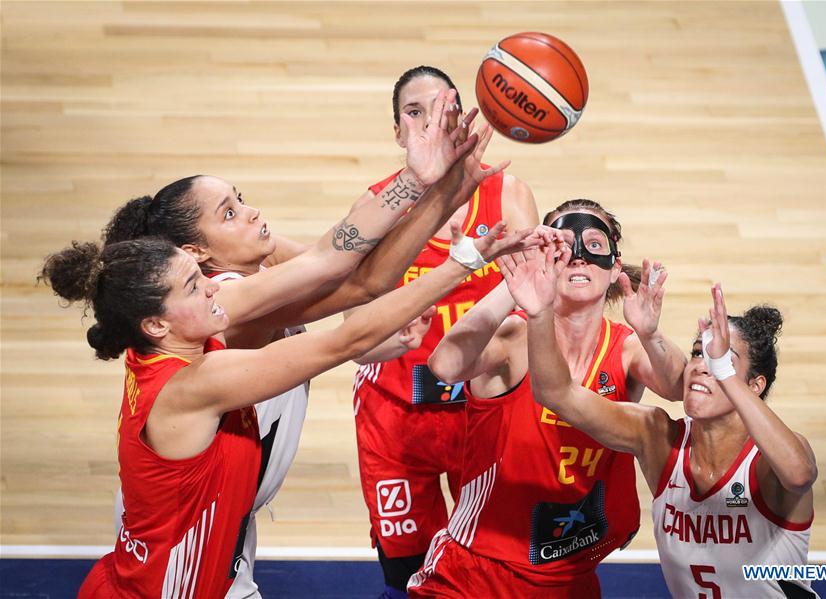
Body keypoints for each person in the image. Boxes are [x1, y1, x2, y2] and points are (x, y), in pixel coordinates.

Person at [100, 89, 507, 597]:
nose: (249, 213)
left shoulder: (225, 288)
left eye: (240, 199)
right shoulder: (226, 305)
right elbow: (335, 273)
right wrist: (421, 185)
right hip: (182, 554)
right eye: (228, 213)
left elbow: (363, 279)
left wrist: (448, 191)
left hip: (215, 521)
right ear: (197, 254)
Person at [42, 205, 537, 596]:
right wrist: (463, 264)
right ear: (156, 325)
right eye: (194, 286)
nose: (215, 287)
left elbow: (339, 278)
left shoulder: (176, 348)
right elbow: (339, 342)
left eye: (202, 274)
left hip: (161, 573)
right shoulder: (195, 383)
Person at [409, 199, 687, 597]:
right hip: (477, 573)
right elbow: (446, 365)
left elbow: (678, 387)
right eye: (564, 245)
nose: (577, 258)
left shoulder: (625, 348)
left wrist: (650, 333)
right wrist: (513, 286)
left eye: (593, 245)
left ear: (613, 268)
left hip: (570, 573)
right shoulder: (515, 337)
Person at [346, 65, 539, 597]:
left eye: (441, 110)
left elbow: (533, 307)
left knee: (494, 564)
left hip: (483, 413)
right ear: (398, 132)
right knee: (405, 577)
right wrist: (398, 338)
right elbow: (353, 339)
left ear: (462, 118)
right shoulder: (377, 206)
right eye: (415, 112)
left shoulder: (510, 194)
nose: (430, 123)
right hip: (396, 420)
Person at [517, 261, 818, 598]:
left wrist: (726, 376)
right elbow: (557, 394)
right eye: (697, 354)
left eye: (721, 359)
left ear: (754, 384)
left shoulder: (767, 460)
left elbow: (799, 475)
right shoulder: (658, 438)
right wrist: (540, 313)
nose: (703, 366)